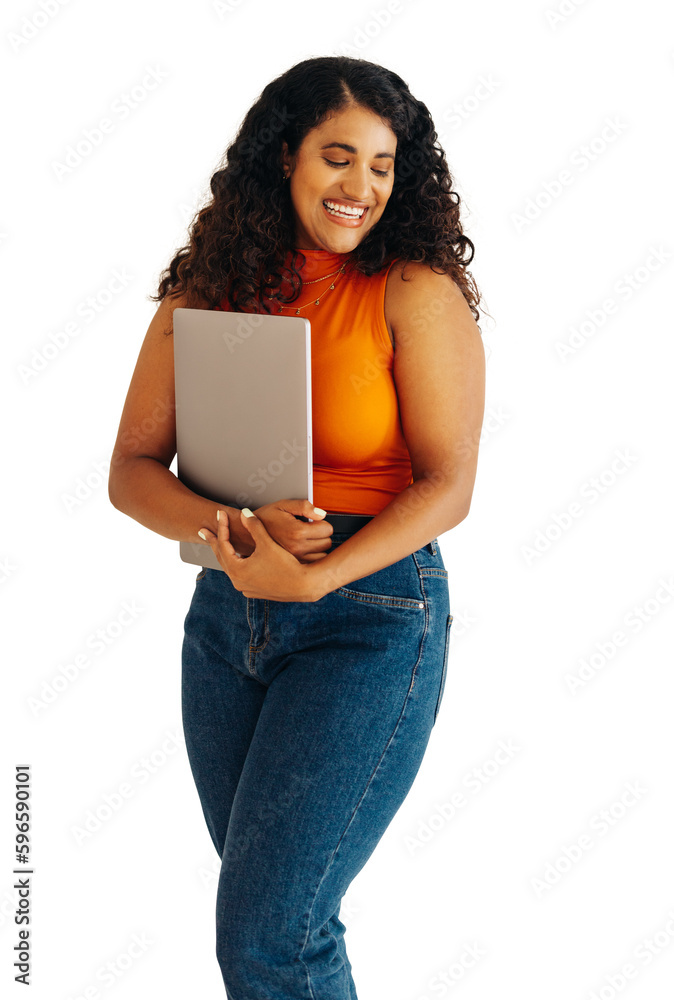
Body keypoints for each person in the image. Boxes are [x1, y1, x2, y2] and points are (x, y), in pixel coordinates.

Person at [108, 54, 485, 999]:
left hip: (371, 617)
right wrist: (234, 523)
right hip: (227, 619)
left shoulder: (414, 293)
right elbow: (130, 473)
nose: (361, 186)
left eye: (384, 165)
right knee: (278, 921)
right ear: (284, 156)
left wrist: (316, 577)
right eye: (337, 156)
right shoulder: (209, 288)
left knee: (272, 932)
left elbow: (450, 486)